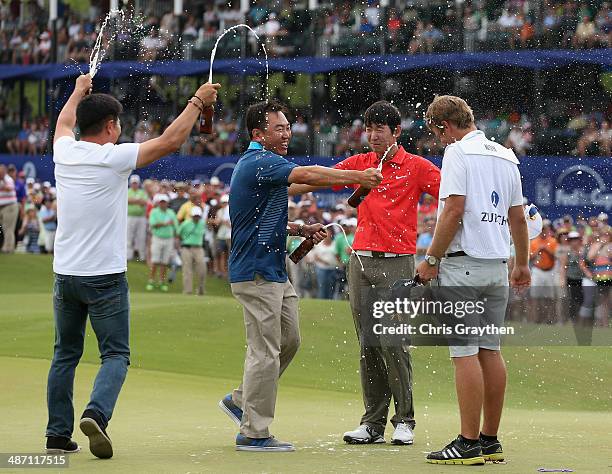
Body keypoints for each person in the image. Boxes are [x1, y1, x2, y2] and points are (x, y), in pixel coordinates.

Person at [46, 72, 220, 458]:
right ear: (110, 127)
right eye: (118, 125)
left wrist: (75, 93)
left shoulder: (64, 152)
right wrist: (197, 101)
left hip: (65, 274)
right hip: (104, 276)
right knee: (116, 355)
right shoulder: (115, 157)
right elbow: (172, 141)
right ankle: (96, 413)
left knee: (64, 355)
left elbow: (63, 123)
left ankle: (57, 433)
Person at [218, 100, 382, 452]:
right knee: (265, 351)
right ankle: (254, 431)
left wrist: (298, 228)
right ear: (258, 134)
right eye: (279, 128)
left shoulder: (266, 169)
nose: (288, 132)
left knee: (288, 340)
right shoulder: (259, 161)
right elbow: (307, 176)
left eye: (288, 126)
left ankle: (241, 399)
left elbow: (269, 208)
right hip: (256, 272)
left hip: (274, 271)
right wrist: (356, 176)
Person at [289, 101, 441, 446]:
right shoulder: (361, 164)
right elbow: (318, 179)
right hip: (360, 260)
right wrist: (274, 189)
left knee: (393, 341)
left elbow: (451, 194)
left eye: (379, 130)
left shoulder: (416, 167)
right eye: (368, 129)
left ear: (396, 132)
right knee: (367, 344)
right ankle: (373, 423)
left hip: (397, 261)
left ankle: (405, 420)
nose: (372, 136)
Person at [416, 95, 530, 465]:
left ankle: (467, 443)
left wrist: (431, 258)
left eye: (437, 133)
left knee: (464, 352)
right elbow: (517, 217)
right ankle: (490, 440)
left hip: (463, 264)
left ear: (445, 126)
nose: (438, 141)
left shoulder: (457, 154)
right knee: (490, 350)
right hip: (497, 264)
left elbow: (453, 210)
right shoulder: (506, 155)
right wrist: (522, 264)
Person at [147, 194, 178, 291]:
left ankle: (161, 282)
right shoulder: (154, 212)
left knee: (164, 262)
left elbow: (175, 226)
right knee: (155, 261)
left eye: (164, 202)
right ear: (159, 203)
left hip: (169, 239)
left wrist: (176, 235)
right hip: (157, 238)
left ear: (167, 203)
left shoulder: (171, 213)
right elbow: (153, 224)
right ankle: (151, 280)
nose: (163, 204)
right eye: (161, 202)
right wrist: (165, 224)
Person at [529, 220, 558, 324]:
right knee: (535, 296)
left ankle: (549, 319)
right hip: (537, 270)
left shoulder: (553, 241)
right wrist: (538, 250)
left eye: (545, 228)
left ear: (548, 229)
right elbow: (530, 258)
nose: (543, 231)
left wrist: (546, 249)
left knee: (549, 297)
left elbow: (556, 257)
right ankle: (535, 319)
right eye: (541, 229)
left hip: (549, 271)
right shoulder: (534, 242)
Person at [177, 205, 206, 295]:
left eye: (198, 216)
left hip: (199, 248)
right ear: (192, 215)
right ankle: (187, 291)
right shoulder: (185, 223)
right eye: (195, 216)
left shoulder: (202, 223)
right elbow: (178, 234)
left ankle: (200, 290)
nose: (196, 217)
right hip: (186, 247)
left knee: (202, 269)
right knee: (187, 270)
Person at [126, 174, 148, 261]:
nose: (134, 184)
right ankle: (128, 255)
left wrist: (133, 200)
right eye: (133, 183)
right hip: (130, 216)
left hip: (141, 217)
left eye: (136, 183)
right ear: (130, 183)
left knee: (141, 237)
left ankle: (142, 256)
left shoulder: (142, 192)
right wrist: (138, 201)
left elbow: (144, 202)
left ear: (138, 183)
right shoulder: (127, 191)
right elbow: (127, 200)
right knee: (129, 236)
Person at [0, 164, 19, 253]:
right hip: (2, 207)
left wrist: (2, 180)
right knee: (4, 228)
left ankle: (8, 248)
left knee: (9, 228)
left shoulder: (8, 179)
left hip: (10, 206)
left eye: (2, 171)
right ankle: (6, 247)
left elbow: (9, 189)